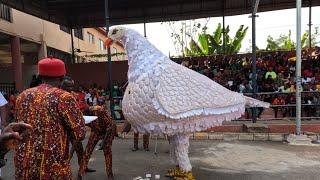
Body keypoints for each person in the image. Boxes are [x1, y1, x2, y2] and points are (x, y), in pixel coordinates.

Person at [14, 57, 86, 180]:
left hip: (24, 165)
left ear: (40, 76)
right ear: (62, 77)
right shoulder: (64, 97)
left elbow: (18, 126)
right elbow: (79, 134)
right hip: (52, 166)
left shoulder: (22, 96)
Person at [79, 106, 117, 180]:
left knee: (107, 152)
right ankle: (81, 172)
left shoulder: (100, 111)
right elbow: (80, 128)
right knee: (87, 151)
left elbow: (110, 126)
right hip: (96, 130)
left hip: (107, 131)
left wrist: (103, 142)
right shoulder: (82, 117)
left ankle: (110, 174)